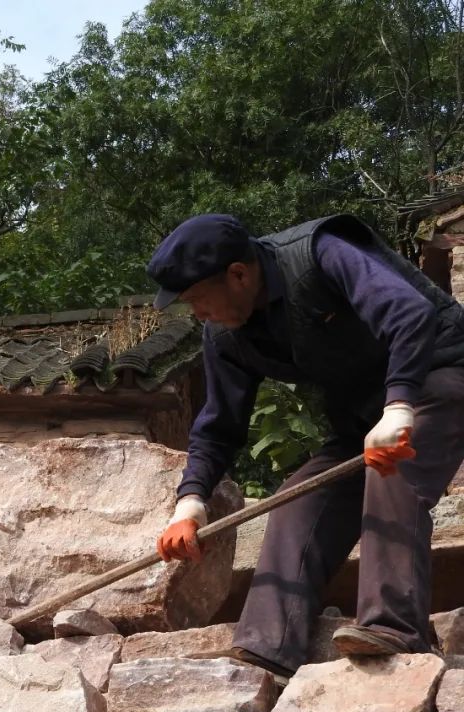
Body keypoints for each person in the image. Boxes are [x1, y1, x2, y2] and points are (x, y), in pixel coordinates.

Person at [147, 212, 464, 679]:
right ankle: (268, 649)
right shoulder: (225, 335)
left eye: (197, 299)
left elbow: (409, 313)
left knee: (390, 471)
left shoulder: (320, 254)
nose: (196, 314)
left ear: (238, 274)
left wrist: (399, 406)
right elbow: (218, 426)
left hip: (438, 374)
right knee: (298, 500)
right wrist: (190, 502)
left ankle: (394, 629)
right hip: (363, 414)